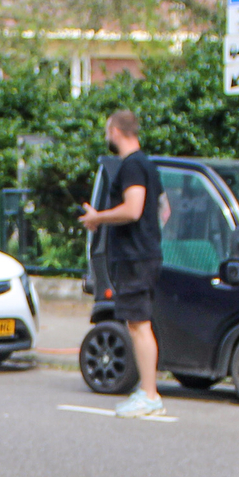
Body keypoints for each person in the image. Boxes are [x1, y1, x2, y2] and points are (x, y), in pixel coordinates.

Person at [77, 108, 168, 419]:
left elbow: (133, 210)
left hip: (135, 257)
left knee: (139, 325)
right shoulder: (148, 165)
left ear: (115, 130)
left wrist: (97, 218)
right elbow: (164, 211)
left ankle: (149, 394)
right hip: (145, 253)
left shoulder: (131, 166)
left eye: (107, 129)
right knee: (139, 323)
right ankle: (147, 390)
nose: (106, 135)